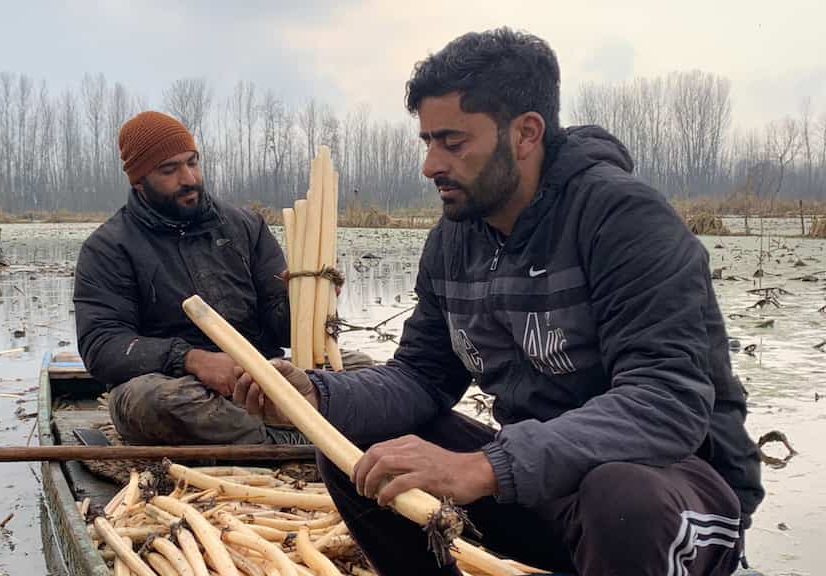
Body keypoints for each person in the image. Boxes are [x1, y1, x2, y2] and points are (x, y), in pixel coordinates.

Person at [233, 28, 763, 575]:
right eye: (427, 142)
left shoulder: (624, 221)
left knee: (620, 494)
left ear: (525, 134)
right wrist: (316, 394)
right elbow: (420, 376)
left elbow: (666, 402)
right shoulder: (454, 238)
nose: (430, 165)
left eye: (453, 142)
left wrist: (486, 466)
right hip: (540, 491)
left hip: (672, 499)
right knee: (358, 445)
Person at [73, 111, 371, 446]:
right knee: (149, 403)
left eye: (192, 162)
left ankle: (279, 431)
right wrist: (191, 359)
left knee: (362, 369)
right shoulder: (108, 247)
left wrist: (308, 301)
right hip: (182, 387)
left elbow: (283, 330)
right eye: (169, 170)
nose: (189, 178)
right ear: (138, 181)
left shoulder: (245, 226)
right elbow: (102, 347)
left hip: (262, 380)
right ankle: (302, 437)